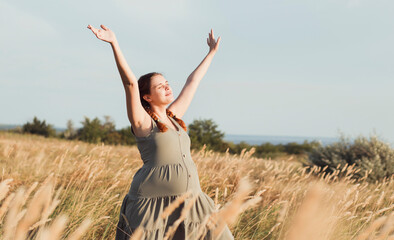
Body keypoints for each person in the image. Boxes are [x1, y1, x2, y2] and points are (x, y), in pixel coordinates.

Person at [87, 24, 233, 240]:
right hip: (152, 206)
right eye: (160, 86)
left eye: (166, 83)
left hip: (191, 200)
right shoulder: (143, 123)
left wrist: (211, 54)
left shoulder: (174, 116)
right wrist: (114, 44)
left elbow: (193, 82)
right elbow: (130, 84)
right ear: (147, 97)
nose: (167, 87)